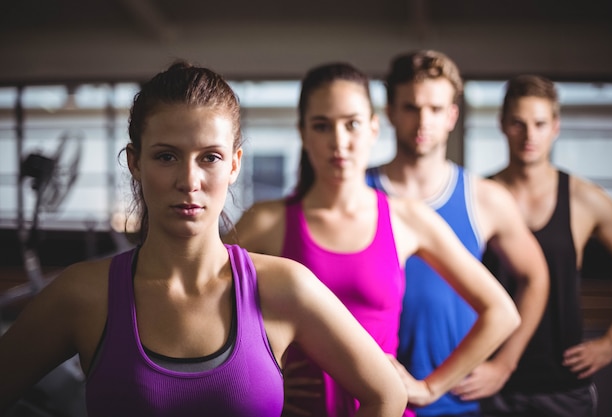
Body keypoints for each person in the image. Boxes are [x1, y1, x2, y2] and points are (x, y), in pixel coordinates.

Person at [0, 61, 410, 417]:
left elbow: (386, 395)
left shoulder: (285, 287)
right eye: (166, 156)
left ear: (234, 164)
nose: (189, 181)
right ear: (135, 163)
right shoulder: (84, 294)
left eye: (209, 157)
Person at [224, 62, 521, 417]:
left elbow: (502, 313)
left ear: (374, 128)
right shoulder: (267, 221)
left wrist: (429, 388)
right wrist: (262, 385)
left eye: (352, 123)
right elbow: (206, 306)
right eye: (322, 126)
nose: (339, 141)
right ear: (303, 133)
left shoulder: (406, 218)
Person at [365, 50, 550, 417]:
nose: (423, 121)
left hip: (454, 402)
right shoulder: (355, 193)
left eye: (435, 109)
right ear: (389, 113)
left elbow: (536, 277)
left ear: (452, 115)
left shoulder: (484, 198)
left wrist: (504, 364)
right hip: (368, 397)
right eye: (410, 107)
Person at [479, 74, 612, 417]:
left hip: (563, 382)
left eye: (540, 123)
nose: (529, 135)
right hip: (490, 380)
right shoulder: (478, 195)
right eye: (518, 123)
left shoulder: (584, 199)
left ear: (555, 127)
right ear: (502, 125)